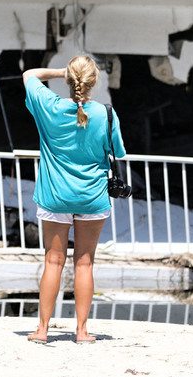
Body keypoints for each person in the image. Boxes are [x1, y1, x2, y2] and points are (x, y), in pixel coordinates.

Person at [22, 55, 126, 344]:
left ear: (68, 80)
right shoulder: (106, 114)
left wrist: (60, 71)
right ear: (94, 82)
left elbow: (30, 73)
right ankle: (81, 331)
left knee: (53, 261)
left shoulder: (50, 107)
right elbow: (117, 150)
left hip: (55, 195)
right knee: (84, 263)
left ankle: (42, 330)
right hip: (92, 197)